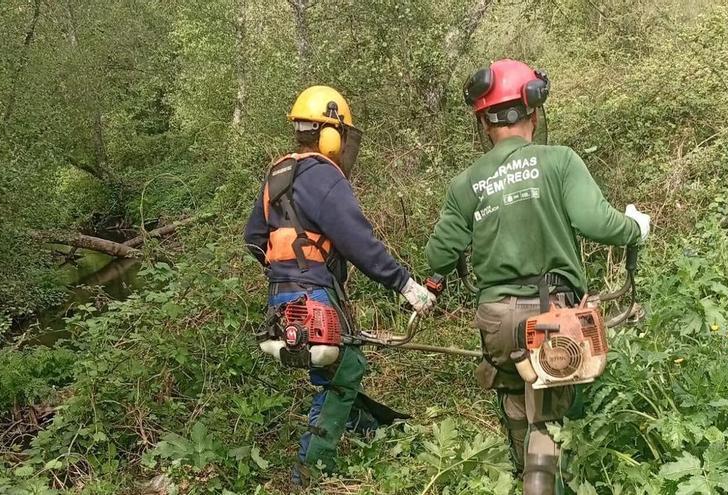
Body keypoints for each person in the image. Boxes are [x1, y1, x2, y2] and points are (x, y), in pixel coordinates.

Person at [424, 59, 650, 494]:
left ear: (484, 122)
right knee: (550, 419)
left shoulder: (465, 184)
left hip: (497, 321)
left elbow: (438, 255)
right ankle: (546, 479)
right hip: (551, 315)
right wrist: (635, 227)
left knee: (516, 405)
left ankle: (524, 467)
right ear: (533, 111)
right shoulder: (559, 161)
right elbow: (598, 222)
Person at [243, 85, 436, 488]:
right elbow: (359, 242)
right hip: (313, 293)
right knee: (343, 372)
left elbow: (252, 239)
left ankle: (365, 429)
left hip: (281, 296)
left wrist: (286, 270)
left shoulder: (277, 173)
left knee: (342, 364)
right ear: (332, 134)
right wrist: (405, 285)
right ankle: (310, 470)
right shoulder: (325, 177)